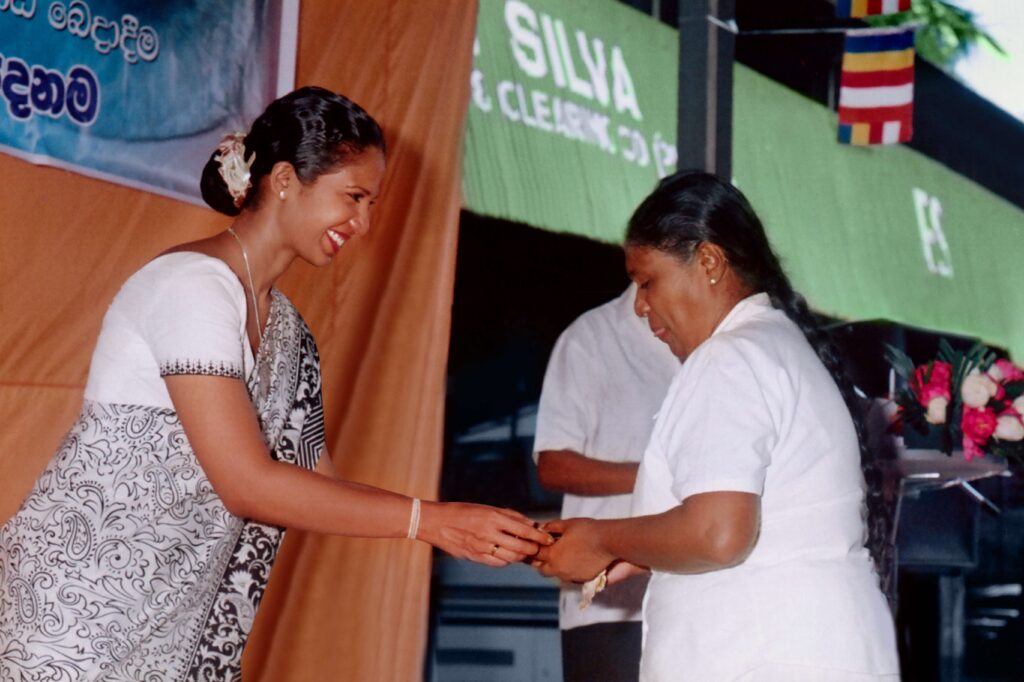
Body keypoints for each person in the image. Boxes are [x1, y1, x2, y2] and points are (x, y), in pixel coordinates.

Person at [0, 86, 551, 681]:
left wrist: (503, 537)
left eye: (371, 204)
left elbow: (316, 483)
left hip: (166, 636)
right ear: (286, 179)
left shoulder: (291, 335)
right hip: (68, 624)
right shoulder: (192, 288)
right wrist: (430, 520)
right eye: (354, 197)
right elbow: (248, 485)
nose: (364, 223)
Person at [534, 171, 900, 681]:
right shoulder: (772, 343)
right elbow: (772, 523)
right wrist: (640, 550)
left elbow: (718, 532)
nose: (639, 306)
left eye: (647, 282)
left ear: (708, 261)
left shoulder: (729, 357)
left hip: (763, 656)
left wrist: (602, 538)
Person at [534, 283, 679, 682]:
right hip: (610, 607)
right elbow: (553, 465)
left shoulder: (717, 341)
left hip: (695, 598)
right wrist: (658, 477)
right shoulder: (591, 338)